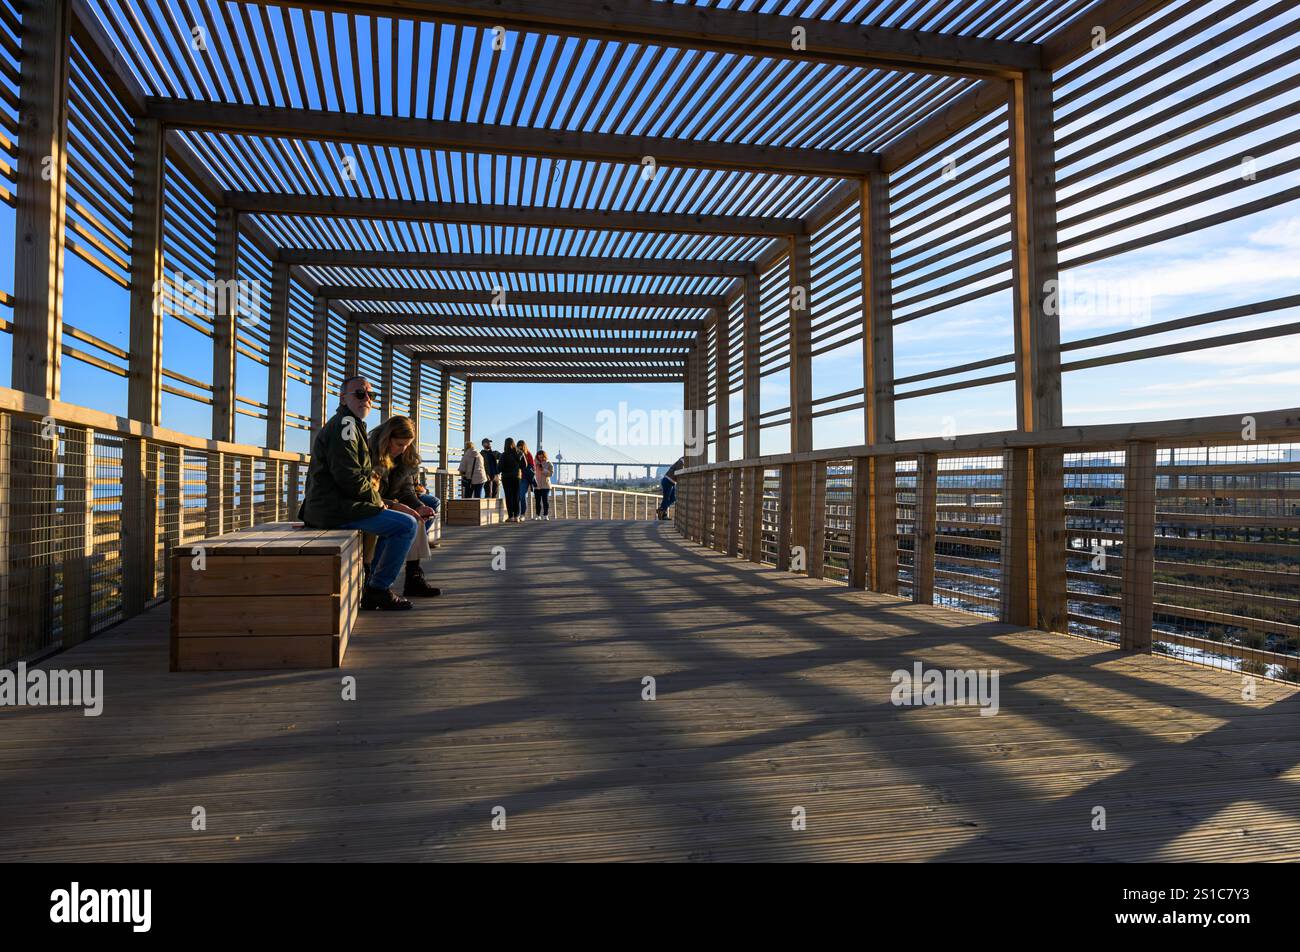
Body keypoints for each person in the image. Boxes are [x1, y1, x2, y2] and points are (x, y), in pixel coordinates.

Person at [299, 376, 417, 611]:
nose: (367, 399)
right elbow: (348, 477)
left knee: (396, 524)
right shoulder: (346, 426)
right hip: (335, 510)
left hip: (336, 506)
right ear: (343, 398)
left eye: (370, 395)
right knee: (406, 526)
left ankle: (375, 584)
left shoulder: (351, 424)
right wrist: (380, 503)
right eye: (360, 394)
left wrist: (380, 503)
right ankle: (378, 589)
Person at [367, 416, 441, 598]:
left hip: (390, 502)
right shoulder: (369, 454)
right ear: (387, 439)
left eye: (407, 445)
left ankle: (413, 575)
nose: (403, 449)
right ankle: (377, 583)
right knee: (405, 523)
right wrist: (399, 507)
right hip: (374, 503)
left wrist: (418, 505)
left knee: (421, 513)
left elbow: (406, 490)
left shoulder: (405, 456)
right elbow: (367, 493)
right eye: (400, 444)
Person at [498, 437, 524, 523]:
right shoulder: (519, 453)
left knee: (509, 496)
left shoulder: (503, 455)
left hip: (506, 478)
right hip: (516, 477)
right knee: (516, 496)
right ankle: (517, 516)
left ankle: (511, 516)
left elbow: (499, 468)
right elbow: (524, 465)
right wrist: (518, 469)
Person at [657, 456, 685, 520]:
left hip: (671, 482)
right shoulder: (681, 461)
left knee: (673, 498)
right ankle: (663, 514)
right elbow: (679, 473)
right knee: (666, 498)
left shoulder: (681, 462)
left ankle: (662, 510)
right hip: (668, 481)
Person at [516, 439, 536, 521]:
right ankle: (516, 514)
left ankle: (522, 514)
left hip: (525, 478)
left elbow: (532, 467)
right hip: (516, 477)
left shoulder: (528, 454)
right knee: (517, 496)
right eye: (518, 446)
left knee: (521, 495)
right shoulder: (515, 454)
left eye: (521, 446)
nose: (520, 448)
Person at [533, 449, 554, 521]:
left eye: (542, 457)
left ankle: (546, 515)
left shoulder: (549, 463)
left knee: (545, 500)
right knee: (537, 501)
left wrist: (543, 470)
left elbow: (551, 474)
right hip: (537, 485)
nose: (541, 458)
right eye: (539, 457)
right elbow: (532, 472)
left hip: (546, 485)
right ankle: (537, 515)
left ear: (545, 456)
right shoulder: (534, 463)